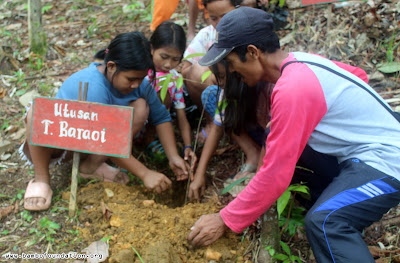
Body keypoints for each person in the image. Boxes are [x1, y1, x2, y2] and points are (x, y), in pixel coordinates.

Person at [187, 7, 400, 263]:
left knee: (325, 223)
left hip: (387, 160)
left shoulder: (293, 87)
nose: (232, 72)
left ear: (253, 52)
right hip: (368, 151)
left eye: (231, 63)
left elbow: (276, 173)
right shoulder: (301, 61)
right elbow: (358, 75)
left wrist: (224, 219)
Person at [22, 32, 189, 211]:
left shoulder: (140, 85)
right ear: (111, 66)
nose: (135, 84)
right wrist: (145, 173)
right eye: (131, 79)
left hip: (96, 141)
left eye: (140, 78)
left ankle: (91, 165)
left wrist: (173, 156)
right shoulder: (94, 87)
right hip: (62, 143)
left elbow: (161, 117)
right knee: (35, 113)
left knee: (141, 107)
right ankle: (41, 179)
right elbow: (106, 141)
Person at [188, 60, 272, 200]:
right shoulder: (228, 93)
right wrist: (199, 174)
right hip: (255, 130)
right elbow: (217, 129)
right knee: (211, 94)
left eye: (222, 76)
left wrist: (259, 177)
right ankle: (252, 153)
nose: (218, 82)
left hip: (269, 136)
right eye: (216, 76)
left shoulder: (266, 88)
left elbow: (274, 136)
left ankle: (261, 163)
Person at [181, 0, 259, 143]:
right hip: (219, 94)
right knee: (197, 70)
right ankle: (213, 122)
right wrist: (215, 75)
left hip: (247, 94)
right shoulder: (207, 35)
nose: (219, 23)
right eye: (213, 18)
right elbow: (186, 69)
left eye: (225, 16)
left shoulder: (250, 33)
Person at [144, 21, 197, 168]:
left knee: (164, 93)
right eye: (164, 56)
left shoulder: (174, 79)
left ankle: (150, 137)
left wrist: (188, 146)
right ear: (151, 48)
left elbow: (181, 116)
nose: (168, 64)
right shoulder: (140, 70)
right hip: (134, 117)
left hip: (155, 121)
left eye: (175, 59)